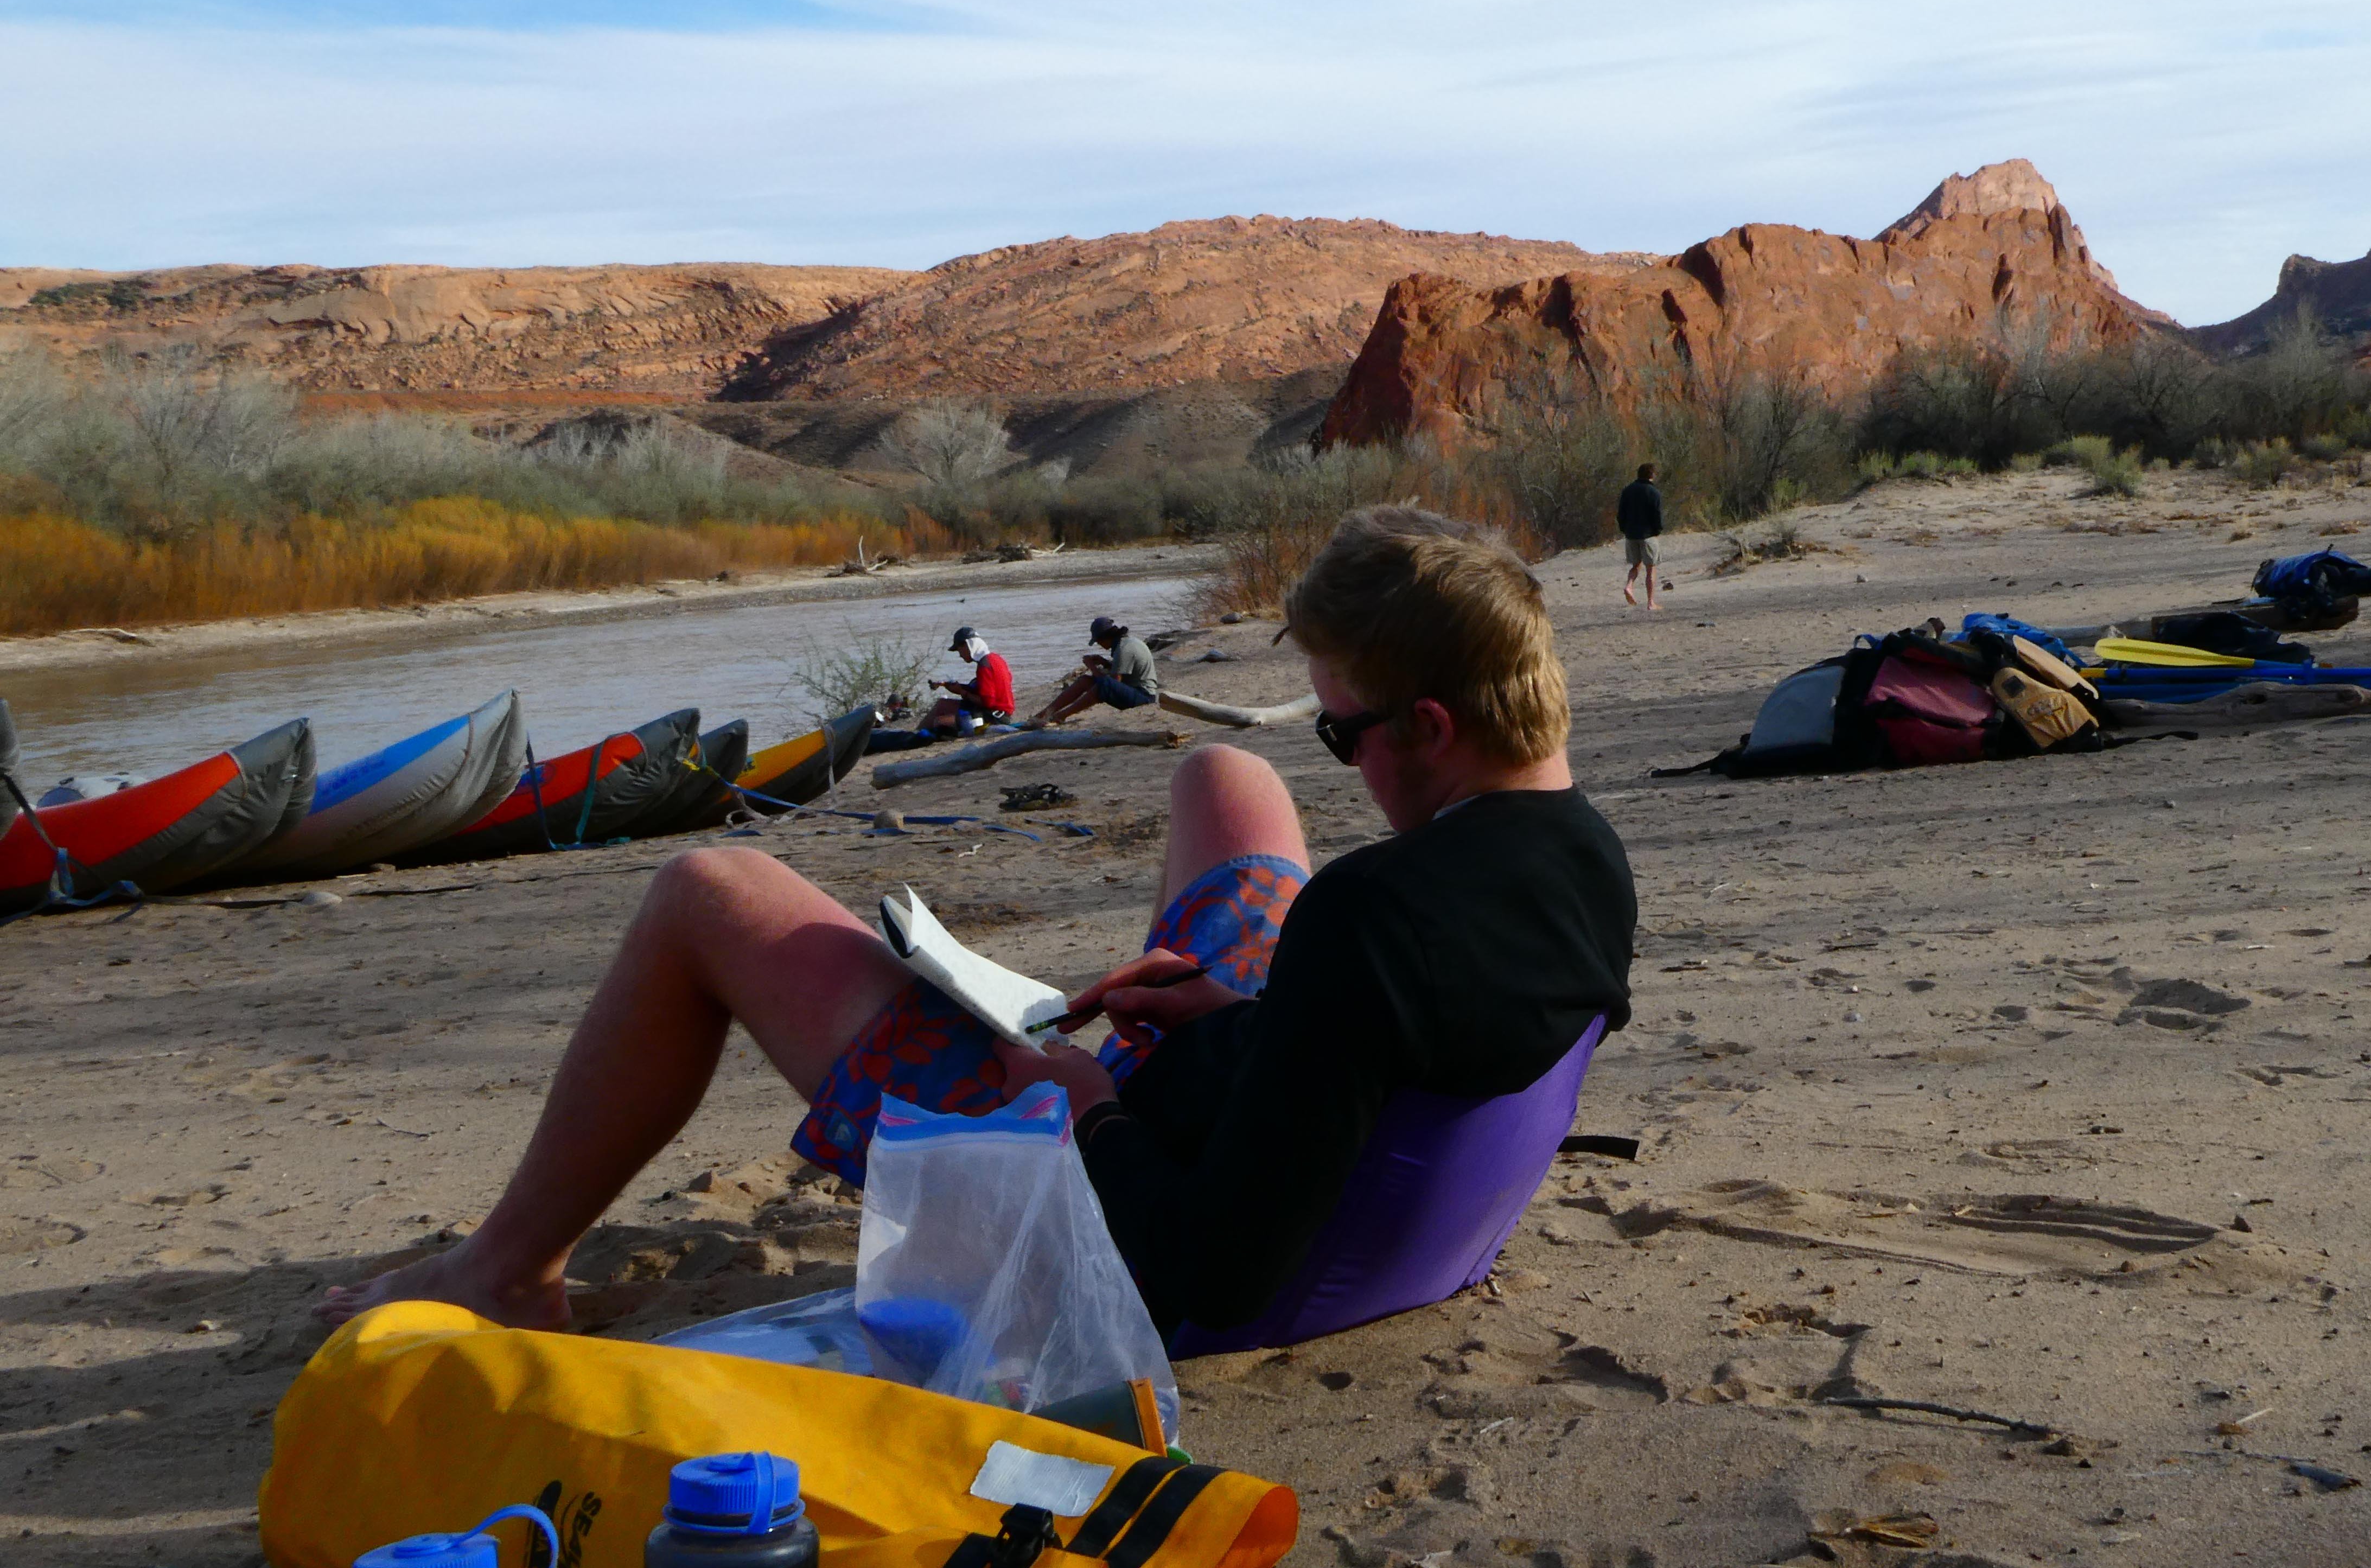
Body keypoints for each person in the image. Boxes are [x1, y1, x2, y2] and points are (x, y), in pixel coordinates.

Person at [323, 508, 1635, 1340]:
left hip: (1150, 1249)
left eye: (1342, 729)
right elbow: (1380, 1042)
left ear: (1431, 728)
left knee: (707, 894)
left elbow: (1204, 1276)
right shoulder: (1582, 857)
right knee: (1225, 776)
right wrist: (1244, 1024)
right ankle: (1148, 1038)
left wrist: (1080, 1104)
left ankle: (506, 1269)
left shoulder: (1369, 916)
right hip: (1332, 1178)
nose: (1340, 755)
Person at [1029, 615, 1160, 727]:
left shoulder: (1124, 649)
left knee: (1103, 686)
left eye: (1098, 641)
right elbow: (1125, 673)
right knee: (1085, 681)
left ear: (1105, 637)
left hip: (1144, 698)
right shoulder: (1127, 643)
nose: (1099, 645)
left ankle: (1062, 715)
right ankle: (1047, 713)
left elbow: (1112, 685)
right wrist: (1105, 663)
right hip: (1135, 691)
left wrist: (1092, 667)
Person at [913, 626, 1016, 738]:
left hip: (994, 717)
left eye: (959, 650)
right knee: (943, 704)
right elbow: (986, 690)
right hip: (998, 712)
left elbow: (988, 702)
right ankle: (916, 734)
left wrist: (962, 692)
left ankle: (917, 737)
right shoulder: (995, 659)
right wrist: (956, 688)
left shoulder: (984, 666)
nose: (960, 655)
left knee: (939, 722)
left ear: (968, 645)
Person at [1618, 462, 1665, 610]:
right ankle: (1651, 602)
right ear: (1652, 475)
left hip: (1631, 534)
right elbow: (1656, 515)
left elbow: (1621, 514)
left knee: (1636, 565)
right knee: (1651, 568)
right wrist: (1658, 530)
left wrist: (1624, 529)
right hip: (1648, 535)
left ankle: (1629, 586)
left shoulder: (1627, 491)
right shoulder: (1654, 493)